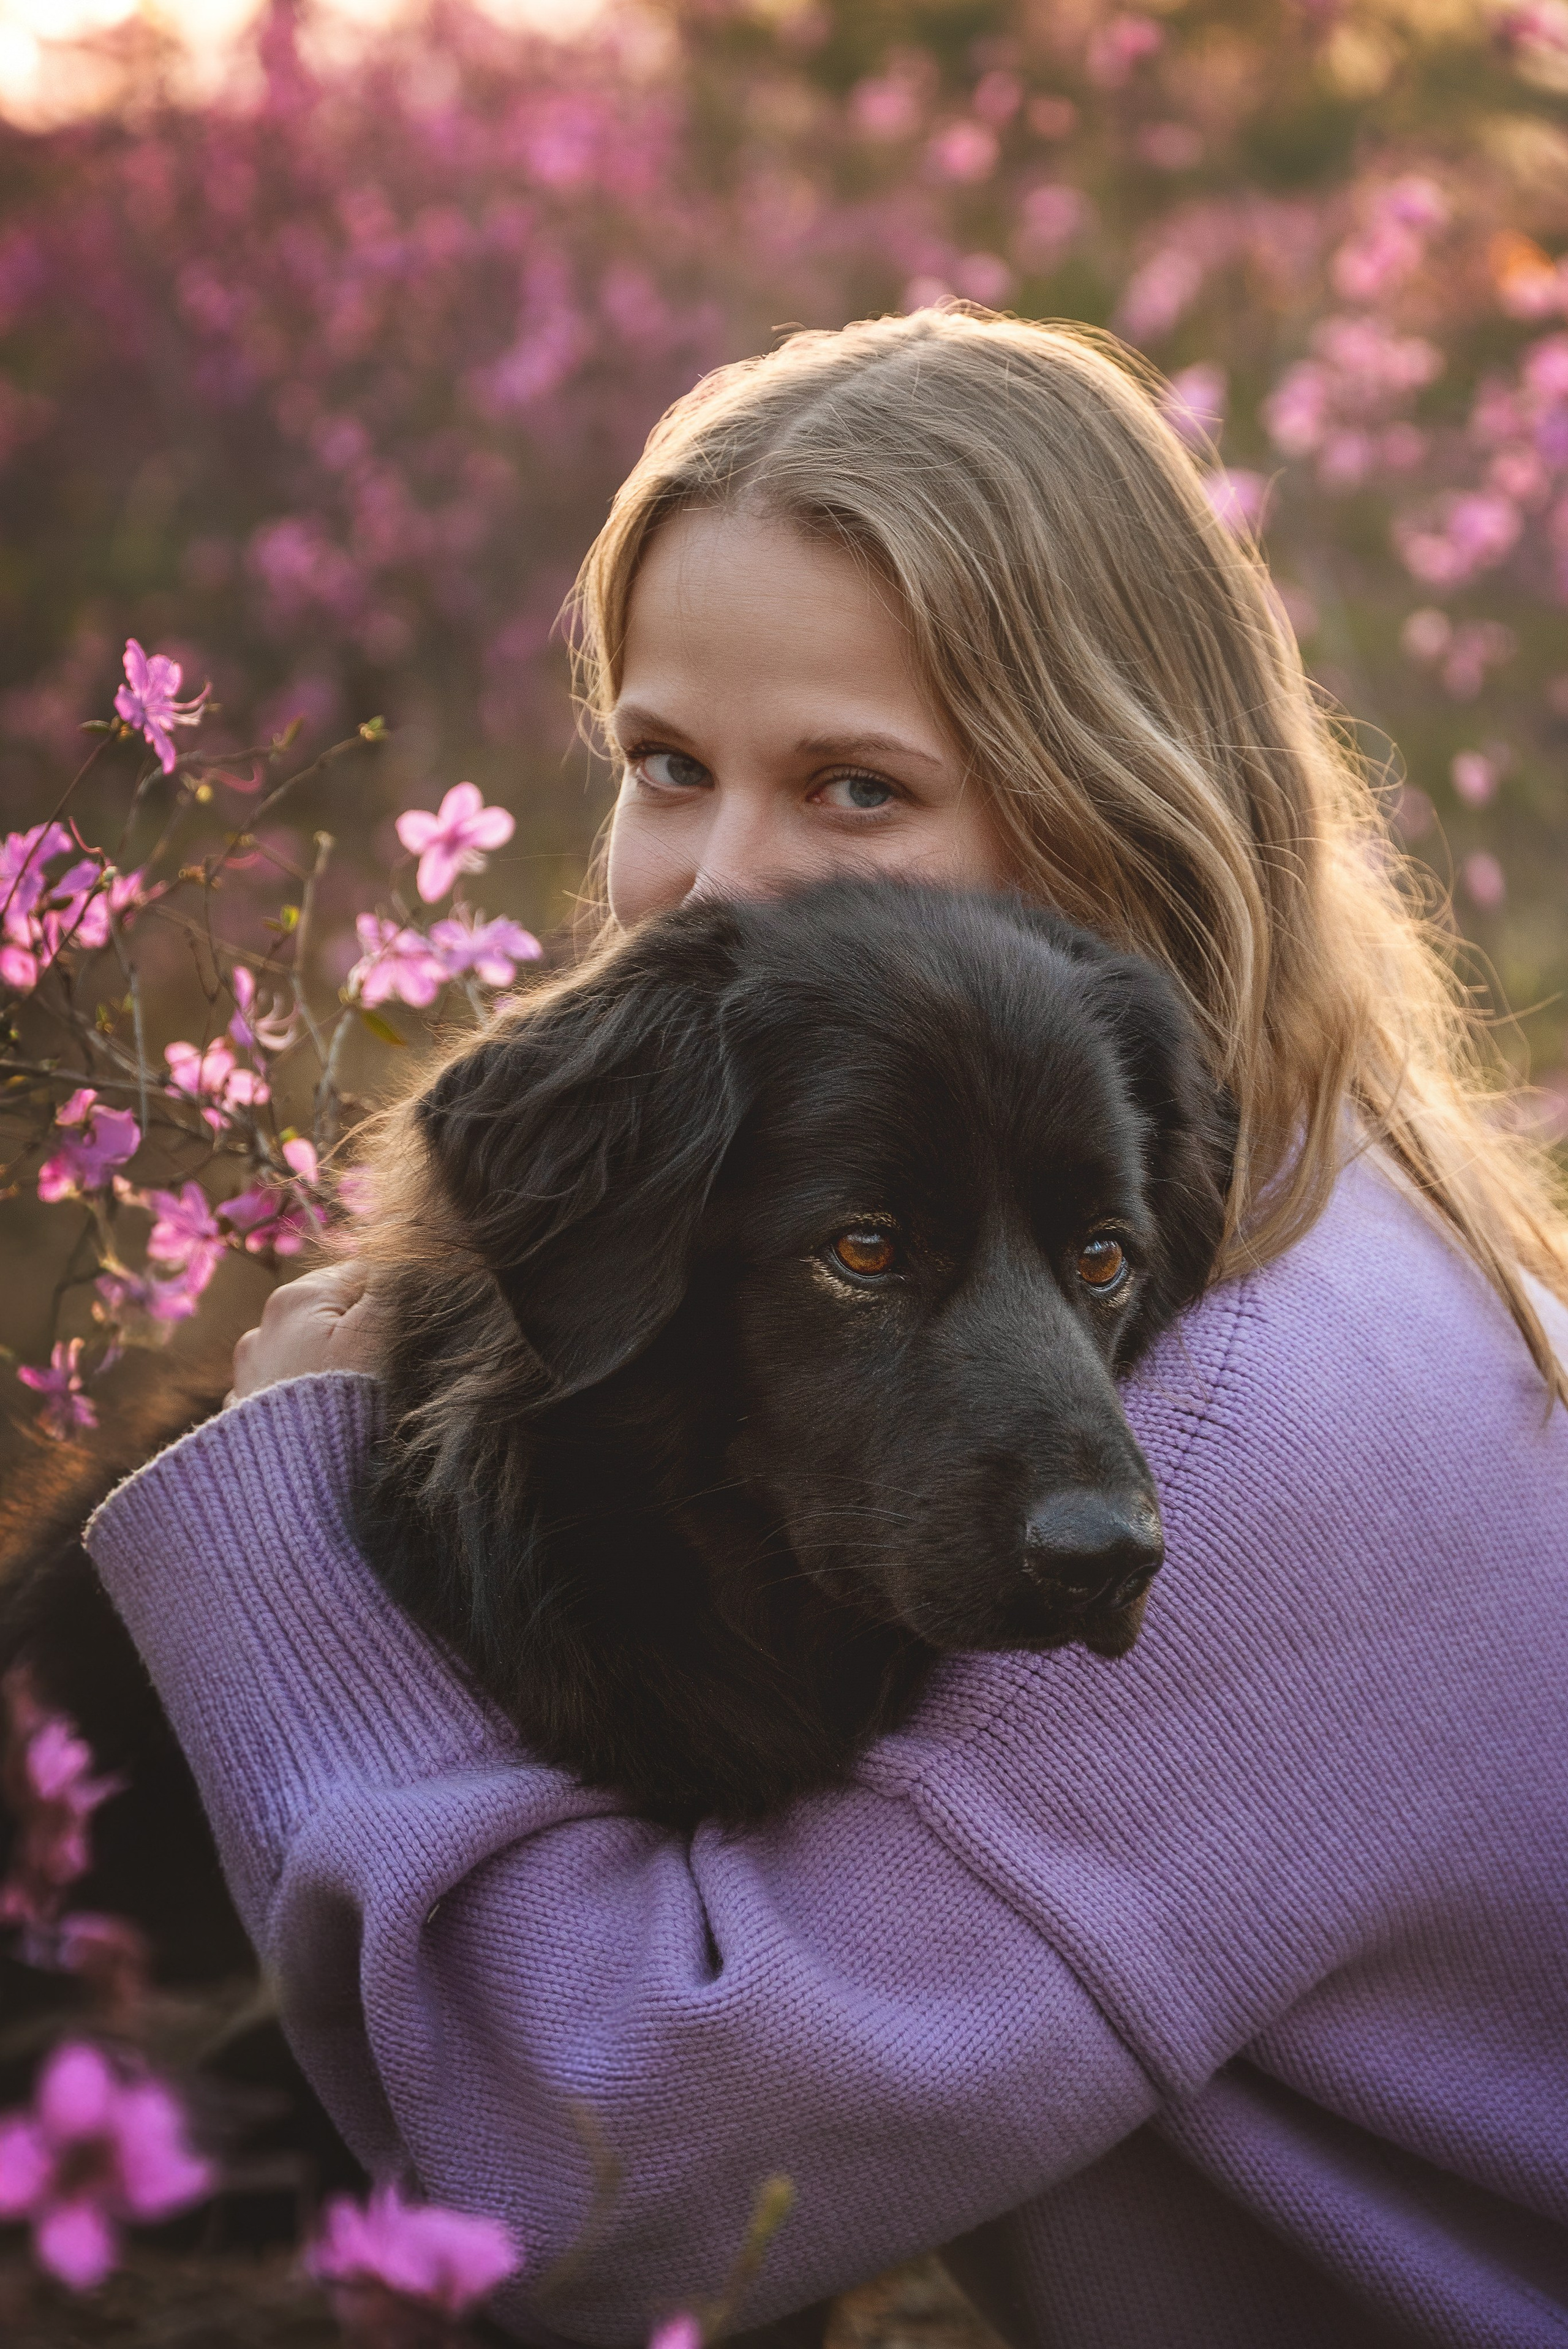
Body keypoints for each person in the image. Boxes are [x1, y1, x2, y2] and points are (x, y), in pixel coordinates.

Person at [88, 309, 1568, 2348]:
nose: (725, 883)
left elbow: (600, 2178)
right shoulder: (1219, 1202)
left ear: (1111, 805)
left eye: (858, 787)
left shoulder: (1246, 1425)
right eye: (667, 765)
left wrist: (277, 1540)